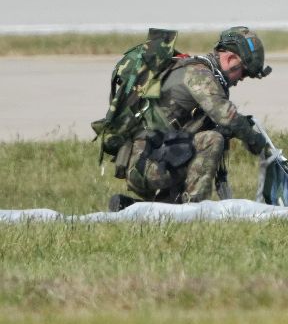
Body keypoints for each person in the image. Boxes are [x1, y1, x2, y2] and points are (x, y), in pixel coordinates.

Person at [107, 26, 272, 211]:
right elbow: (227, 116)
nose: (240, 79)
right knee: (211, 141)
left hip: (151, 158)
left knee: (198, 142)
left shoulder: (193, 68)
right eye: (244, 72)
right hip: (146, 163)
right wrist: (257, 141)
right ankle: (194, 211)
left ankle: (130, 207)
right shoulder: (199, 74)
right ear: (231, 59)